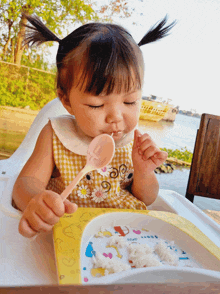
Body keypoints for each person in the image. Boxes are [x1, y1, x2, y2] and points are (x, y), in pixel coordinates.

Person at [12, 14, 175, 238]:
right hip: (67, 234)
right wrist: (36, 202)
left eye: (130, 101)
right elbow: (25, 183)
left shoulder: (133, 143)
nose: (116, 117)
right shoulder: (57, 135)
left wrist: (143, 171)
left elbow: (146, 198)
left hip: (123, 235)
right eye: (97, 105)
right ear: (67, 100)